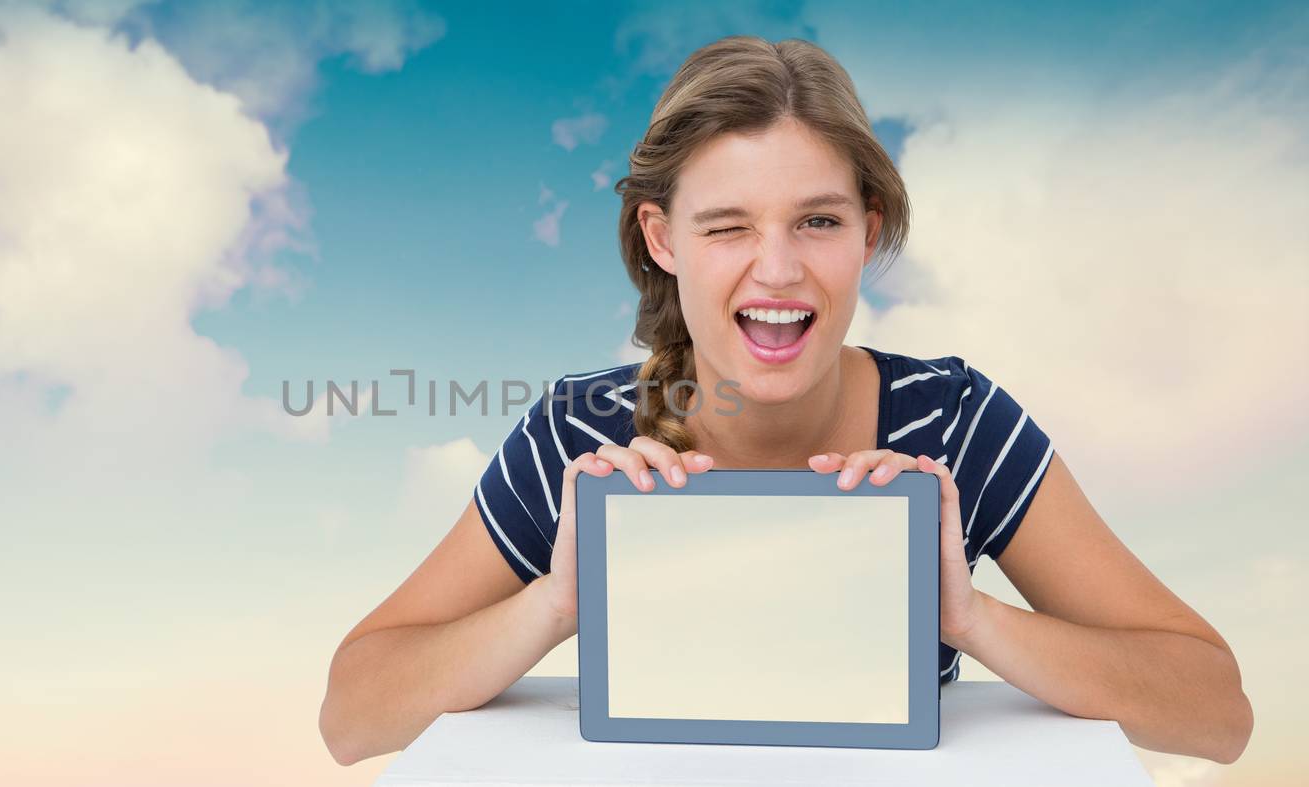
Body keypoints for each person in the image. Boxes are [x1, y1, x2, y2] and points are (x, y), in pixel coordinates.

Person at [319, 35, 1251, 767]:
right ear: (662, 237)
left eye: (819, 221)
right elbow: (353, 717)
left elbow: (1216, 714)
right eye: (727, 226)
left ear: (867, 231)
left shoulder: (952, 424)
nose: (779, 269)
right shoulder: (583, 435)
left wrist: (970, 618)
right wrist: (555, 602)